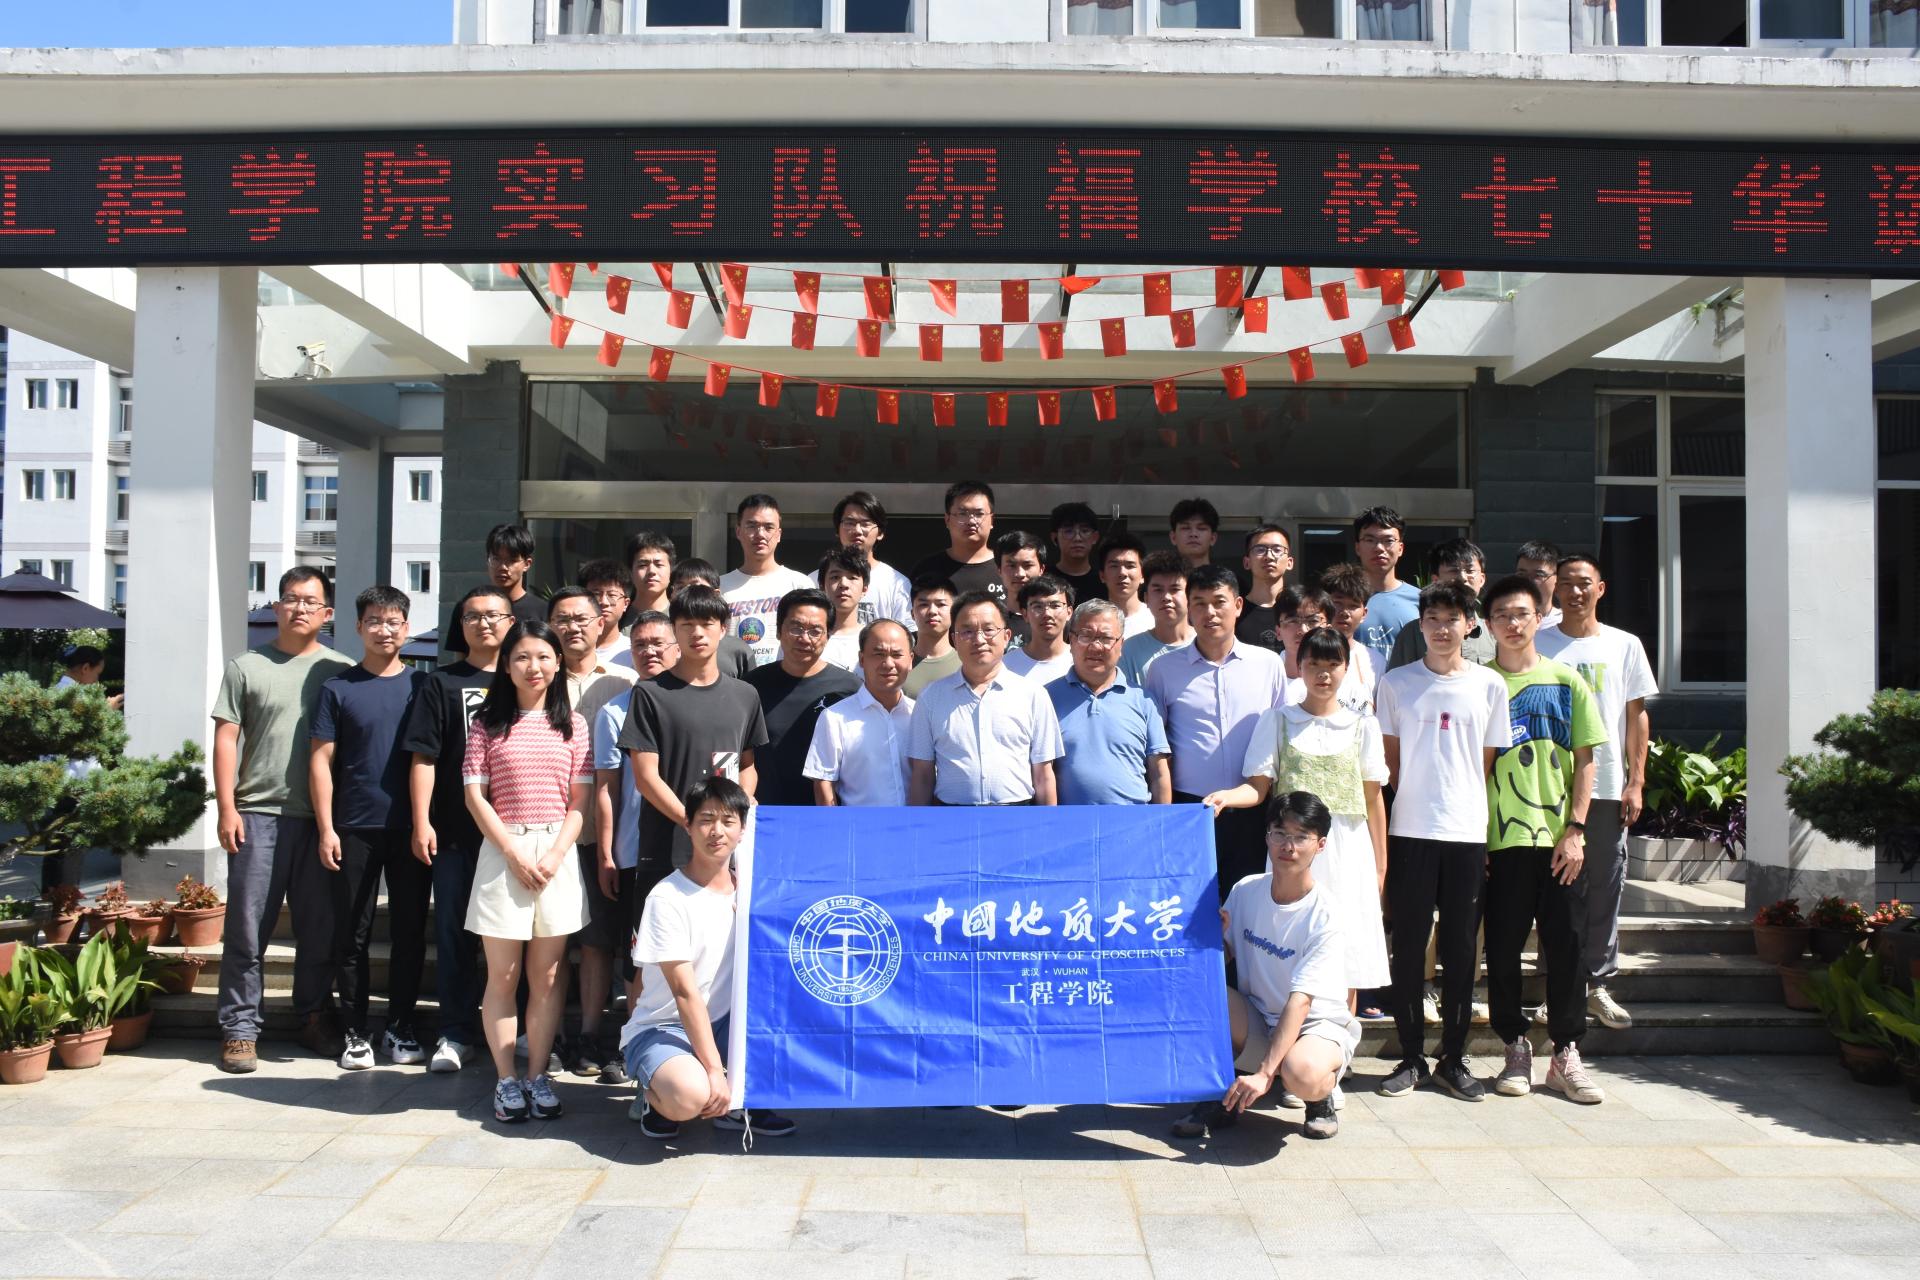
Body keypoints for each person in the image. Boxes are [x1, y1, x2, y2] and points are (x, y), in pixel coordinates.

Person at [1373, 582, 1513, 1103]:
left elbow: (1486, 760)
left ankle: (1454, 1057)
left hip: (1466, 832)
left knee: (1460, 950)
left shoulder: (1490, 685)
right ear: (1420, 624)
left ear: (1469, 625)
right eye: (1431, 618)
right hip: (1410, 829)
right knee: (1409, 948)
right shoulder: (1396, 683)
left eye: (1451, 618)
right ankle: (1411, 1056)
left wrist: (1458, 801)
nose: (1441, 627)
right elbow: (1390, 761)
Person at [211, 567, 354, 1074]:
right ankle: (240, 1029)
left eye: (310, 601)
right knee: (247, 929)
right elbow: (226, 739)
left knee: (320, 929)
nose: (300, 608)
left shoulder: (340, 670)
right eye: (291, 599)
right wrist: (226, 808)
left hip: (320, 821)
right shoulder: (246, 666)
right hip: (257, 815)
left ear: (327, 613)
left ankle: (312, 1016)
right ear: (276, 607)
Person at [1208, 627, 1390, 1015]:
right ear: (1299, 666)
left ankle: (1338, 1040)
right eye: (1314, 664)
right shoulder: (1278, 721)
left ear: (1346, 668)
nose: (1323, 674)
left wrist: (1380, 866)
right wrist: (1226, 797)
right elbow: (1257, 788)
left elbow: (1373, 800)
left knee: (1346, 948)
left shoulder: (1364, 726)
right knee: (1288, 942)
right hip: (1290, 850)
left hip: (1347, 850)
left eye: (1332, 665)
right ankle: (1282, 1031)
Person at [1482, 574, 1607, 1105]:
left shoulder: (1566, 681)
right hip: (1499, 842)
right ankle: (1514, 1046)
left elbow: (1586, 761)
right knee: (1503, 948)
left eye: (1522, 613)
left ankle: (1566, 1054)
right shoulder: (1478, 683)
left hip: (1560, 842)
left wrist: (1576, 829)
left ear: (1540, 617)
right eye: (1502, 615)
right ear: (1487, 625)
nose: (1513, 623)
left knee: (1568, 946)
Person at [1171, 792, 1360, 1143]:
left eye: (1301, 837)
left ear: (1319, 845)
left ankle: (1319, 1099)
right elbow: (1221, 960)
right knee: (1198, 994)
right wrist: (1214, 940)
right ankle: (1221, 1096)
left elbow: (1300, 1001)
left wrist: (1265, 1073)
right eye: (1280, 833)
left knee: (1301, 1072)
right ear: (1267, 837)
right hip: (1259, 1016)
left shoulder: (1325, 914)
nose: (1288, 846)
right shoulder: (1246, 890)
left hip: (1315, 1026)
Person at [462, 619, 592, 1124]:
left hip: (557, 852)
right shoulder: (486, 723)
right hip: (503, 850)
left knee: (548, 975)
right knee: (503, 974)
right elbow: (475, 796)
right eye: (521, 657)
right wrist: (513, 852)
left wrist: (555, 854)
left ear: (558, 663)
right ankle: (505, 1079)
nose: (532, 667)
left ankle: (538, 1075)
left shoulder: (573, 724)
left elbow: (579, 801)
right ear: (506, 665)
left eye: (542, 656)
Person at [621, 777, 795, 1140]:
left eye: (728, 821)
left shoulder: (751, 892)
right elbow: (685, 993)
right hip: (665, 1026)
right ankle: (656, 1096)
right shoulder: (668, 897)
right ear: (687, 825)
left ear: (743, 830)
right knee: (690, 1096)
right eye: (706, 820)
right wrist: (715, 1070)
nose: (717, 831)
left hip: (727, 1022)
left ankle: (740, 1104)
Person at [310, 585, 431, 1071]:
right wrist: (326, 828)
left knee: (409, 933)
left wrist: (426, 822)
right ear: (359, 627)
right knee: (352, 935)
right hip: (353, 827)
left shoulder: (423, 687)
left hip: (411, 829)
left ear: (407, 628)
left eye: (393, 621)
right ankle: (356, 1032)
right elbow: (320, 762)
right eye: (375, 621)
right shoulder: (338, 688)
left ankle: (400, 1026)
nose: (384, 629)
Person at [1538, 553, 1658, 1033]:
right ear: (1555, 589)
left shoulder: (1624, 645)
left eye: (1584, 583)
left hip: (1606, 785)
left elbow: (1636, 715)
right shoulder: (1538, 641)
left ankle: (1596, 983)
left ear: (1600, 589)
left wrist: (1636, 780)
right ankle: (1557, 986)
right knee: (1555, 887)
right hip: (1548, 786)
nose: (1575, 591)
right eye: (1566, 583)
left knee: (1605, 883)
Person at [402, 585, 513, 1073]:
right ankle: (455, 1032)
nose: (484, 623)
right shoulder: (440, 683)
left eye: (494, 615)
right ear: (459, 625)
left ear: (512, 621)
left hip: (519, 833)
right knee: (453, 934)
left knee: (515, 937)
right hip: (454, 832)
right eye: (473, 616)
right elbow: (424, 757)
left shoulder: (527, 677)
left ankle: (519, 1031)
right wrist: (421, 820)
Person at [619, 585, 768, 913]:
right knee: (658, 942)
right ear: (674, 630)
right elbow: (646, 777)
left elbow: (746, 765)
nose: (697, 633)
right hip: (666, 848)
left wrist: (736, 811)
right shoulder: (650, 694)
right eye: (686, 625)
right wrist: (692, 822)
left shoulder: (746, 695)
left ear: (723, 628)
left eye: (706, 623)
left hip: (727, 850)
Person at [1145, 564, 1287, 891]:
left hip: (1254, 809)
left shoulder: (1268, 665)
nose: (1209, 612)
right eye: (1199, 603)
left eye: (1219, 602)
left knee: (1247, 901)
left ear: (1237, 605)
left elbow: (1281, 737)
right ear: (1188, 609)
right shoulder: (1163, 669)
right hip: (1190, 809)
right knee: (1191, 899)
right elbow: (1156, 745)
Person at [547, 587, 637, 1077]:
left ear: (601, 622)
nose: (573, 627)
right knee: (550, 941)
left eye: (582, 617)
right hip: (545, 830)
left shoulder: (625, 680)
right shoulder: (537, 677)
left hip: (599, 833)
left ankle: (589, 1036)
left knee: (599, 941)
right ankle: (549, 1036)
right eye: (563, 618)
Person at [591, 610, 678, 1081]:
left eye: (659, 643)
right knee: (638, 957)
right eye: (640, 644)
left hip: (692, 851)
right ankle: (637, 1052)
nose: (650, 652)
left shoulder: (697, 701)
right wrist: (607, 853)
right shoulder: (614, 711)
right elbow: (607, 789)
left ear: (678, 646)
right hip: (634, 853)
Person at [908, 590, 1063, 806]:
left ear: (1006, 637)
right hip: (951, 816)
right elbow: (922, 775)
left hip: (1017, 814)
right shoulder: (931, 697)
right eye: (967, 631)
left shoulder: (1033, 695)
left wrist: (1047, 824)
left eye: (989, 630)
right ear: (954, 639)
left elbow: (1043, 775)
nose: (979, 639)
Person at [1048, 600, 1171, 806]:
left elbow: (1159, 773)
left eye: (1106, 638)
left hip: (1132, 820)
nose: (1096, 646)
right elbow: (1041, 772)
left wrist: (1162, 822)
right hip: (1069, 821)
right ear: (1071, 641)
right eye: (1086, 636)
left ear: (1121, 644)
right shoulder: (1047, 698)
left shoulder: (1143, 699)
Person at [745, 588, 860, 807]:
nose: (804, 638)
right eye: (796, 628)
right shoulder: (751, 686)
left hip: (829, 811)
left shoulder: (850, 688)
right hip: (763, 810)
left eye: (815, 631)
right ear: (779, 631)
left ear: (828, 636)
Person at [805, 620, 916, 807]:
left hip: (915, 824)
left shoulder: (920, 715)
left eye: (897, 654)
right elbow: (824, 783)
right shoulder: (834, 718)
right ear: (862, 659)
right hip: (858, 824)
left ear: (911, 659)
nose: (888, 663)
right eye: (878, 654)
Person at [719, 494, 815, 668]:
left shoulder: (800, 584)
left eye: (768, 527)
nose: (760, 534)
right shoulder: (720, 586)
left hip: (784, 677)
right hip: (735, 678)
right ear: (738, 531)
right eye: (752, 526)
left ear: (779, 534)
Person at [815, 491, 914, 632]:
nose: (857, 530)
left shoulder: (897, 583)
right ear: (837, 529)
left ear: (880, 533)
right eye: (849, 523)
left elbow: (906, 634)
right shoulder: (813, 579)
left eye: (865, 524)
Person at [1388, 539, 1494, 670]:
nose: (1463, 577)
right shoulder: (1412, 633)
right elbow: (1398, 678)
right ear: (1435, 580)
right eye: (1454, 570)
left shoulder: (1493, 632)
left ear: (1482, 579)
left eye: (1470, 570)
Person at [450, 523, 546, 653]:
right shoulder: (467, 608)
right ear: (487, 560)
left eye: (512, 560)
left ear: (527, 564)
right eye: (496, 559)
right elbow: (461, 657)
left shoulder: (542, 611)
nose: (503, 567)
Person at [909, 480, 1005, 602]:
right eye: (962, 513)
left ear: (992, 520)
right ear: (947, 520)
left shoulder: (1008, 568)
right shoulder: (926, 569)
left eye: (979, 514)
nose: (971, 521)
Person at [1350, 507, 1421, 668]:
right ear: (1357, 547)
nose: (1379, 548)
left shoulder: (1422, 601)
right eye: (1370, 540)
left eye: (1388, 540)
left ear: (1400, 548)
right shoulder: (1341, 601)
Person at [668, 559, 755, 679]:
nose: (688, 593)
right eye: (681, 587)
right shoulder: (661, 644)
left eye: (696, 586)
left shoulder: (738, 651)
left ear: (716, 594)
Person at [1120, 551, 1193, 686]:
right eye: (1158, 590)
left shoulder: (1206, 644)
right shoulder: (1129, 650)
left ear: (1190, 596)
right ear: (1146, 598)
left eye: (1175, 589)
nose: (1166, 597)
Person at [1317, 563, 1379, 712]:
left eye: (1353, 605)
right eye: (1337, 603)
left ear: (1364, 614)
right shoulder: (1303, 655)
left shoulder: (1376, 662)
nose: (1345, 612)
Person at [1003, 575, 1075, 686]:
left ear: (1069, 612)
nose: (1047, 614)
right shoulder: (1006, 665)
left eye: (1055, 606)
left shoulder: (1081, 661)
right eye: (1038, 606)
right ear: (1025, 614)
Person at [1236, 525, 1294, 655]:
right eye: (1260, 550)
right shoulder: (1234, 612)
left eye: (1277, 550)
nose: (1269, 556)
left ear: (1289, 562)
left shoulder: (1300, 610)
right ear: (1246, 562)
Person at [903, 575, 961, 698]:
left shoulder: (966, 664)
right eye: (924, 604)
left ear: (954, 611)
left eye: (941, 604)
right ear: (912, 613)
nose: (932, 611)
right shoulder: (897, 665)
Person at [817, 547, 870, 673]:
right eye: (835, 577)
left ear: (864, 589)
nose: (843, 584)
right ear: (822, 586)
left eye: (852, 577)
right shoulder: (806, 638)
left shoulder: (874, 639)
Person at [1047, 501, 1104, 607]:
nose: (1077, 538)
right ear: (1055, 537)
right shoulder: (1043, 579)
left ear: (1095, 537)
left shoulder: (1105, 581)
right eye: (1068, 531)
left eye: (1085, 531)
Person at [578, 558, 635, 665]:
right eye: (596, 594)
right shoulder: (569, 649)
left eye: (612, 595)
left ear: (626, 604)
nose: (604, 602)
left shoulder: (633, 652)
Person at [1097, 531, 1152, 638]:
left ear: (1143, 575)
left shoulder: (1157, 619)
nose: (1122, 573)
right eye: (1114, 566)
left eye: (1130, 566)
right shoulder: (1090, 620)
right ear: (1102, 575)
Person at [55, 645, 124, 710]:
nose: (97, 680)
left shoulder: (58, 689)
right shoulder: (73, 695)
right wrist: (107, 709)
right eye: (97, 673)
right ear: (85, 668)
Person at [1516, 539, 1564, 629]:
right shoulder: (1502, 622)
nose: (1528, 581)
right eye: (1521, 574)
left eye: (1538, 575)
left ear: (1557, 579)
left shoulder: (1566, 623)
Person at [626, 531, 677, 617]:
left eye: (659, 564)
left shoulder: (682, 618)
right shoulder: (617, 617)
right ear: (631, 571)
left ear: (671, 571)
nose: (651, 571)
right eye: (643, 565)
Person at [1168, 496, 1220, 570]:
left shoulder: (1225, 577)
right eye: (1186, 528)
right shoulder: (1158, 577)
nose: (1193, 534)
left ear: (1213, 538)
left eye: (1201, 528)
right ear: (1173, 537)